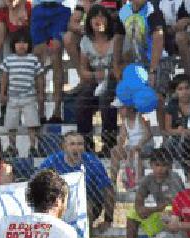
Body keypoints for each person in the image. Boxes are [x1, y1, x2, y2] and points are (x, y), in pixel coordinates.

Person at [40, 131, 117, 233]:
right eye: (72, 144)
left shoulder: (93, 162)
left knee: (85, 208)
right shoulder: (52, 161)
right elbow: (37, 183)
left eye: (80, 144)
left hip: (88, 202)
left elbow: (108, 189)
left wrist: (108, 220)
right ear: (64, 146)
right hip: (58, 201)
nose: (77, 147)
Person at [123, 149, 185, 238]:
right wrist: (155, 208)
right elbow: (138, 205)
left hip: (176, 217)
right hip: (158, 214)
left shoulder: (174, 177)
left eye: (164, 165)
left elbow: (177, 203)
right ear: (151, 165)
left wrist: (152, 209)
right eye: (157, 165)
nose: (160, 169)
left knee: (169, 209)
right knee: (132, 214)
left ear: (170, 166)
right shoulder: (148, 179)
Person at [76, 4, 121, 154]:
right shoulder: (85, 41)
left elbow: (122, 65)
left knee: (105, 99)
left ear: (108, 20)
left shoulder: (116, 39)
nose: (99, 19)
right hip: (95, 80)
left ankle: (108, 144)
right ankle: (86, 146)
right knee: (82, 101)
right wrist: (95, 75)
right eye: (95, 16)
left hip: (115, 80)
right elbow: (83, 70)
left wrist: (108, 74)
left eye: (102, 16)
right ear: (89, 21)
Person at [0, 30, 46, 156]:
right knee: (11, 124)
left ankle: (32, 147)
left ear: (29, 45)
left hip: (29, 97)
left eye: (24, 42)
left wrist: (41, 93)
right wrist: (2, 93)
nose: (21, 45)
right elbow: (4, 77)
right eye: (18, 43)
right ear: (13, 45)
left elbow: (39, 77)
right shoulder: (8, 60)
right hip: (12, 98)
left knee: (32, 123)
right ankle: (12, 146)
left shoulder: (33, 59)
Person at [35, 0, 75, 123]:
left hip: (60, 10)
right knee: (38, 56)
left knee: (55, 51)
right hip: (39, 9)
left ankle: (57, 110)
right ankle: (40, 110)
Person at [111, 102, 155, 190]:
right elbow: (122, 138)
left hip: (145, 145)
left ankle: (137, 181)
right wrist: (119, 145)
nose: (119, 111)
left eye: (121, 108)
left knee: (135, 152)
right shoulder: (125, 121)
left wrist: (139, 144)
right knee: (114, 151)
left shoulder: (140, 117)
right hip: (131, 146)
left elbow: (148, 134)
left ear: (130, 108)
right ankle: (113, 181)